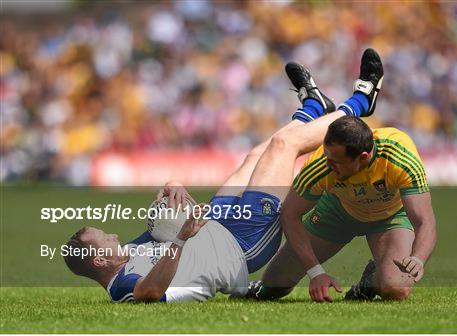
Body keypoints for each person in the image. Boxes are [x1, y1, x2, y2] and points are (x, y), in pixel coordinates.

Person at [63, 49, 384, 303]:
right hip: (241, 245)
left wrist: (170, 188)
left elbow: (162, 226)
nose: (114, 236)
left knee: (256, 155)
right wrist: (179, 238)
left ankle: (314, 107)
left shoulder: (128, 255)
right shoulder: (122, 287)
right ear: (100, 262)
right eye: (105, 239)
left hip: (217, 223)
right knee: (284, 146)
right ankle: (359, 102)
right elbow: (149, 292)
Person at [248, 54, 437, 303]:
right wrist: (316, 273)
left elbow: (424, 220)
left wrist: (418, 259)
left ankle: (370, 282)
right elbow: (290, 214)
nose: (328, 164)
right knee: (274, 286)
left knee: (396, 288)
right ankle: (349, 103)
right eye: (327, 156)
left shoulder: (399, 155)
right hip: (337, 212)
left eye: (337, 162)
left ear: (363, 157)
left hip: (389, 217)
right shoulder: (321, 164)